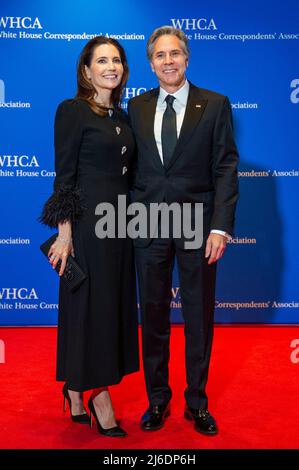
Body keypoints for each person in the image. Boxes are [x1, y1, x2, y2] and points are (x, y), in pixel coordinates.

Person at [128, 26, 239, 435]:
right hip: (149, 226)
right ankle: (158, 400)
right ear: (150, 63)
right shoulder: (136, 107)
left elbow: (225, 167)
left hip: (198, 226)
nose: (168, 61)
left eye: (175, 53)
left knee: (197, 316)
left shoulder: (214, 104)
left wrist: (220, 228)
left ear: (187, 59)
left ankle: (197, 402)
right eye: (160, 55)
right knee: (153, 316)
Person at [40, 36, 139, 437]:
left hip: (119, 226)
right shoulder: (72, 111)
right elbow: (63, 176)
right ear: (86, 70)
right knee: (91, 310)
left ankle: (76, 390)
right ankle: (100, 399)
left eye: (116, 60)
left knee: (108, 308)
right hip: (86, 227)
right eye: (102, 60)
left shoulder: (123, 117)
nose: (111, 66)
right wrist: (64, 234)